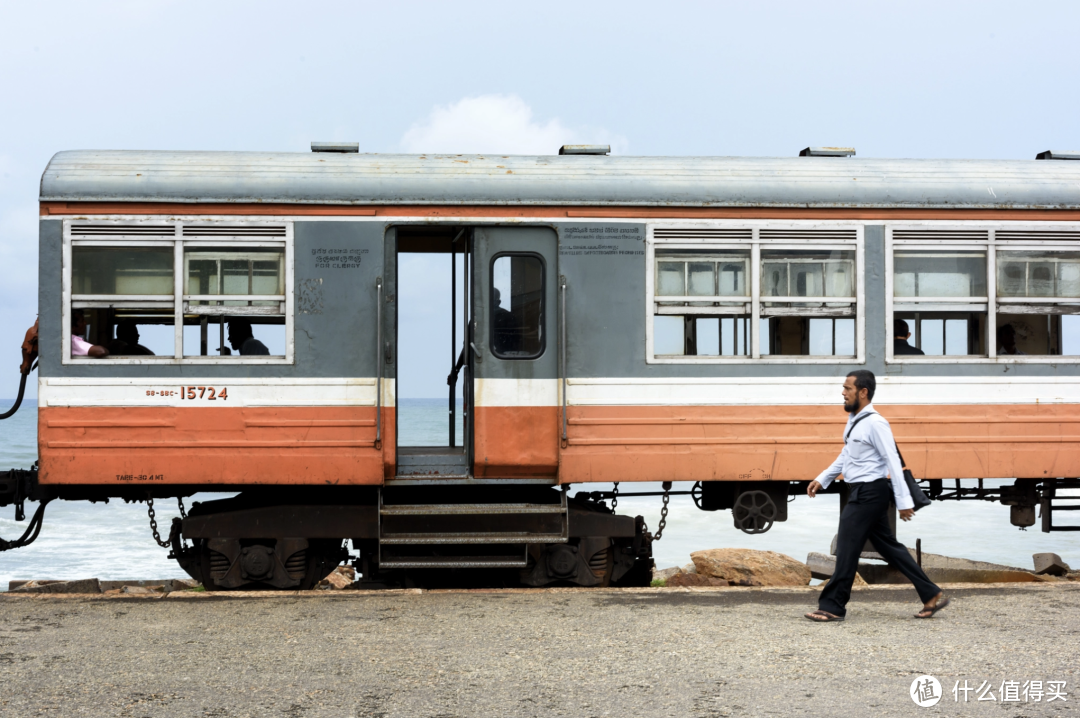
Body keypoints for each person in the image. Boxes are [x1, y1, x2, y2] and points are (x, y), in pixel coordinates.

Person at [804, 370, 949, 622]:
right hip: (863, 492)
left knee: (847, 548)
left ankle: (832, 606)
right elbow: (847, 454)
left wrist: (904, 502)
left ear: (863, 392)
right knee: (891, 549)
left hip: (870, 493)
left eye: (847, 388)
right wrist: (823, 478)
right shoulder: (856, 420)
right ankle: (931, 593)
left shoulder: (876, 423)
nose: (842, 392)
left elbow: (892, 461)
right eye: (843, 388)